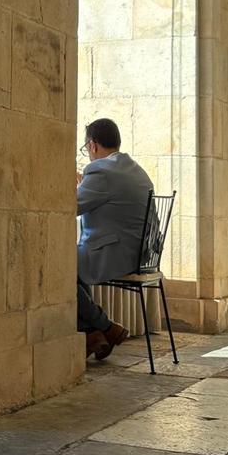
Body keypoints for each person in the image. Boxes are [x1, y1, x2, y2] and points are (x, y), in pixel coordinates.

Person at [76, 118, 154, 359]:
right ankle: (93, 333)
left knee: (56, 267)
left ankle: (106, 327)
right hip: (140, 254)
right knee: (74, 261)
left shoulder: (101, 171)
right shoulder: (132, 168)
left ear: (92, 145)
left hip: (116, 254)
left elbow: (69, 206)